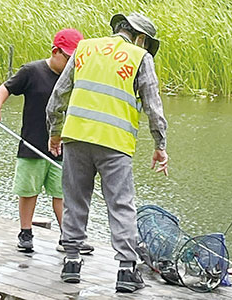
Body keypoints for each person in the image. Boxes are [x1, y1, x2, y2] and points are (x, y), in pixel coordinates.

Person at [46, 12, 168, 292]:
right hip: (115, 143)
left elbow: (57, 98)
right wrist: (160, 146)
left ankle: (72, 263)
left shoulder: (84, 48)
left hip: (76, 138)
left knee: (75, 200)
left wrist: (55, 133)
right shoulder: (140, 57)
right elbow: (153, 106)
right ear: (140, 38)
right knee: (121, 204)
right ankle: (126, 271)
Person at [0, 28, 94, 255]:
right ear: (55, 52)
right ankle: (26, 232)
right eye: (69, 58)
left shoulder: (75, 78)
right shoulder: (32, 71)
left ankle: (68, 236)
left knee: (62, 193)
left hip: (63, 146)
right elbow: (5, 88)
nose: (72, 63)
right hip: (33, 143)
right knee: (28, 190)